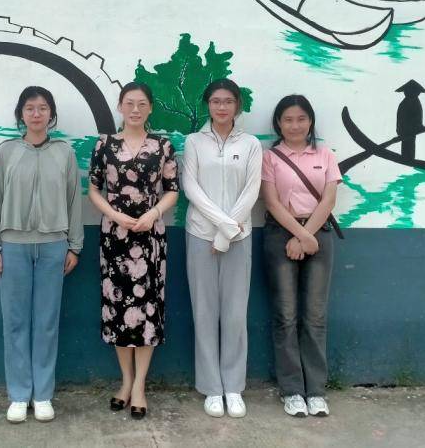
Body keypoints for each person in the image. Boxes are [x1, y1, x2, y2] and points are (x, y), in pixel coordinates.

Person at [0, 86, 83, 423]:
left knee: (46, 322)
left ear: (51, 114)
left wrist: (74, 245)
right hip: (13, 247)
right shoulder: (7, 152)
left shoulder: (64, 153)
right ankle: (18, 394)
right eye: (30, 108)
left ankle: (42, 395)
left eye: (42, 108)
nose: (36, 114)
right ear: (21, 114)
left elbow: (74, 199)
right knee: (15, 322)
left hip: (54, 247)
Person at [88, 82, 179, 420]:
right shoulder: (104, 144)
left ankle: (140, 385)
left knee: (147, 309)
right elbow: (93, 190)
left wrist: (154, 213)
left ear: (150, 107)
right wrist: (114, 215)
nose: (135, 109)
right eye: (129, 103)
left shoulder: (163, 145)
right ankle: (125, 381)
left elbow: (172, 190)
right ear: (120, 106)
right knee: (118, 308)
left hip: (151, 236)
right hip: (115, 236)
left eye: (142, 104)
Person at [181, 78, 262, 418]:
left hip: (239, 239)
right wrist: (222, 227)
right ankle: (212, 388)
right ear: (208, 104)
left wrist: (228, 232)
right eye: (216, 101)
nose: (222, 107)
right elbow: (191, 187)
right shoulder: (194, 141)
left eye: (228, 101)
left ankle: (233, 386)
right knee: (204, 312)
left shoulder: (252, 144)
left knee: (235, 314)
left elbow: (252, 189)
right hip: (201, 234)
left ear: (237, 105)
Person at [260, 94, 341, 418]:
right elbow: (271, 201)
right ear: (278, 123)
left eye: (301, 119)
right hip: (281, 234)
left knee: (315, 316)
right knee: (286, 315)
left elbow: (329, 199)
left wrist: (308, 236)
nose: (295, 125)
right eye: (288, 120)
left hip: (319, 234)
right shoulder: (270, 157)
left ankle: (316, 391)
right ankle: (292, 390)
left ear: (310, 122)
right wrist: (300, 235)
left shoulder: (325, 155)